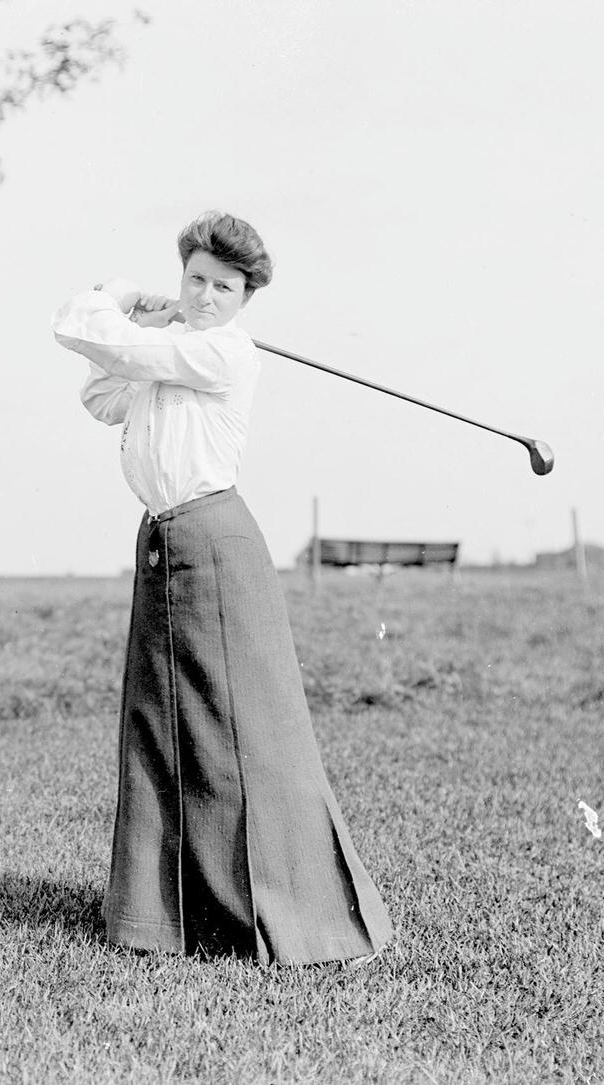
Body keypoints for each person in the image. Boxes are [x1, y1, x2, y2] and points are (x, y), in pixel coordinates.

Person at [51, 211, 392, 966]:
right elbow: (99, 392)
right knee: (164, 726)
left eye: (223, 287)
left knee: (246, 734)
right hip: (163, 544)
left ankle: (296, 915)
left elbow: (75, 325)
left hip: (212, 544)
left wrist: (119, 294)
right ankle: (168, 914)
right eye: (195, 280)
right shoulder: (173, 354)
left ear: (245, 298)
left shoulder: (224, 353)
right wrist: (151, 319)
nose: (205, 295)